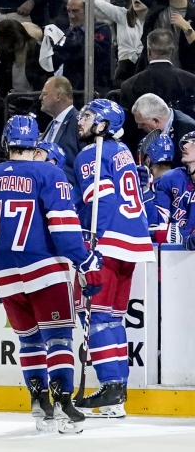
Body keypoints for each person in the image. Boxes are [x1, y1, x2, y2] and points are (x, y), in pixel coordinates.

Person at [0, 115, 91, 434]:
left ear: (7, 142)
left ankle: (40, 407)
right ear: (36, 142)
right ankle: (65, 407)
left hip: (6, 275)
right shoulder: (49, 172)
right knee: (59, 339)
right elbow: (64, 230)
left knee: (29, 343)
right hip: (45, 270)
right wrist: (84, 259)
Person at [70, 99, 152, 415]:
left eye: (88, 117)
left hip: (108, 241)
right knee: (113, 317)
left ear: (103, 125)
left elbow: (100, 201)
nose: (81, 121)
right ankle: (116, 388)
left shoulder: (91, 153)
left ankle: (110, 386)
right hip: (133, 242)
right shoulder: (123, 151)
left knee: (96, 315)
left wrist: (93, 245)